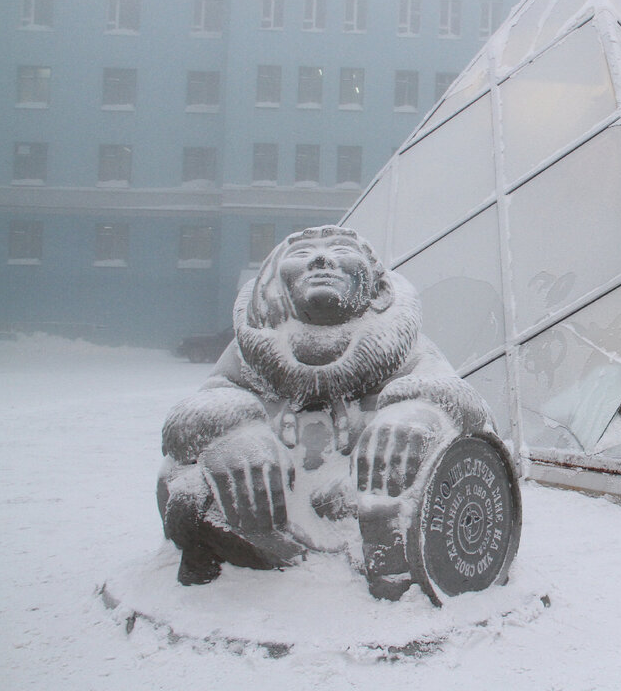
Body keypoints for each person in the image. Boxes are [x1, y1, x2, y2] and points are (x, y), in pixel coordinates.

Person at [157, 225, 492, 599]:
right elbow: (192, 416)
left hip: (353, 498)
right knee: (188, 484)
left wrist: (419, 414)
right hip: (272, 508)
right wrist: (233, 430)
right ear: (273, 284)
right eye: (300, 254)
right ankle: (236, 554)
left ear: (376, 286)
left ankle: (392, 566)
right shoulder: (251, 348)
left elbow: (464, 405)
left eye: (340, 249)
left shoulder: (401, 340)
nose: (321, 258)